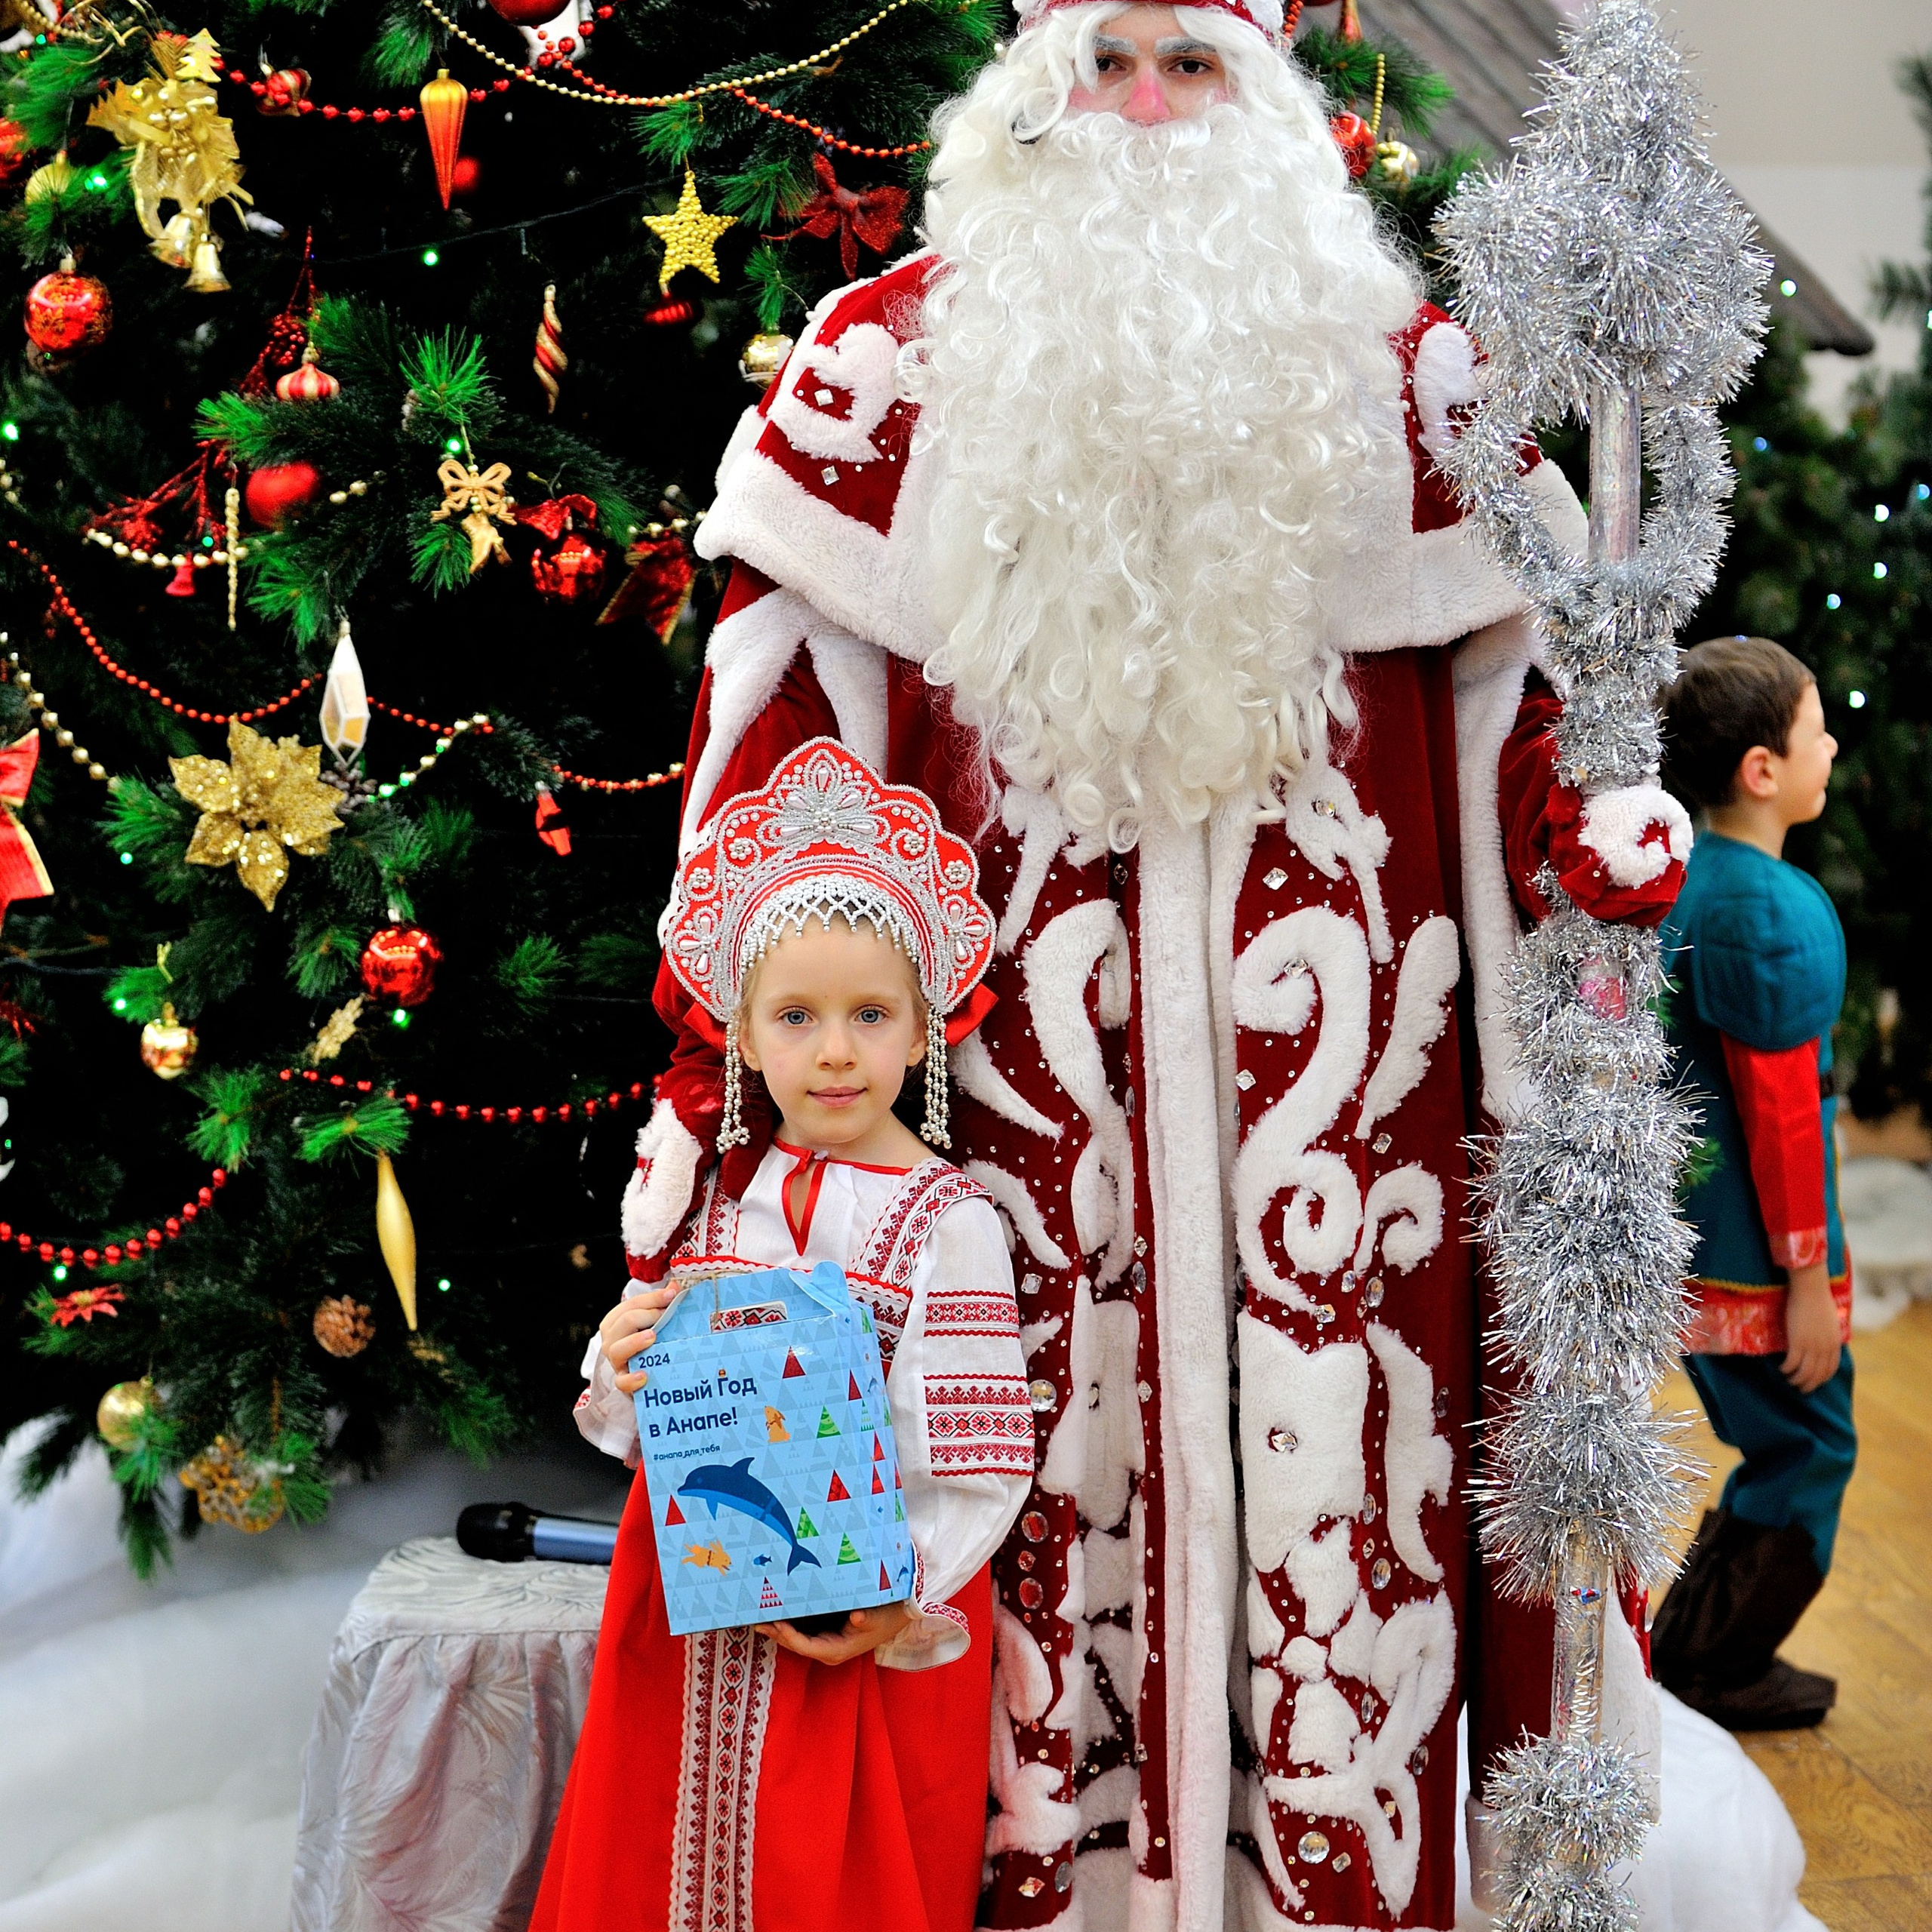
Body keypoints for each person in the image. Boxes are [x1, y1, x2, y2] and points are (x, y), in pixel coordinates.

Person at [577, 6, 1694, 1926]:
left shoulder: (1414, 388)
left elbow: (1521, 734)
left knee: (1347, 1584)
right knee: (1003, 1582)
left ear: (1269, 100)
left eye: (1195, 65)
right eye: (1112, 61)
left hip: (1354, 1175)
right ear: (1030, 89)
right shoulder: (881, 377)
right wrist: (717, 1209)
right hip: (1005, 1175)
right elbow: (759, 834)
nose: (1152, 109)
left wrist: (1584, 828)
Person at [539, 740, 1032, 1932]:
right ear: (746, 1038)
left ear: (921, 1032)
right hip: (684, 1631)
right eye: (798, 1017)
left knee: (820, 1878)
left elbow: (980, 1460)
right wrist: (620, 1362)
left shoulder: (945, 1221)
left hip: (850, 1634)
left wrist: (894, 1596)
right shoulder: (713, 1202)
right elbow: (639, 1431)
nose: (836, 1051)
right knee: (657, 1869)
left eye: (870, 1015)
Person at [1651, 637, 1856, 1731]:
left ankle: (1690, 1647)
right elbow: (1781, 1118)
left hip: (1696, 1229)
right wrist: (1807, 1281)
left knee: (1777, 1439)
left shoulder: (1680, 880)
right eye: (1819, 729)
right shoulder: (1765, 912)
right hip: (1758, 1253)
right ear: (1762, 769)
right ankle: (1714, 1662)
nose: (1835, 747)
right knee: (1811, 1442)